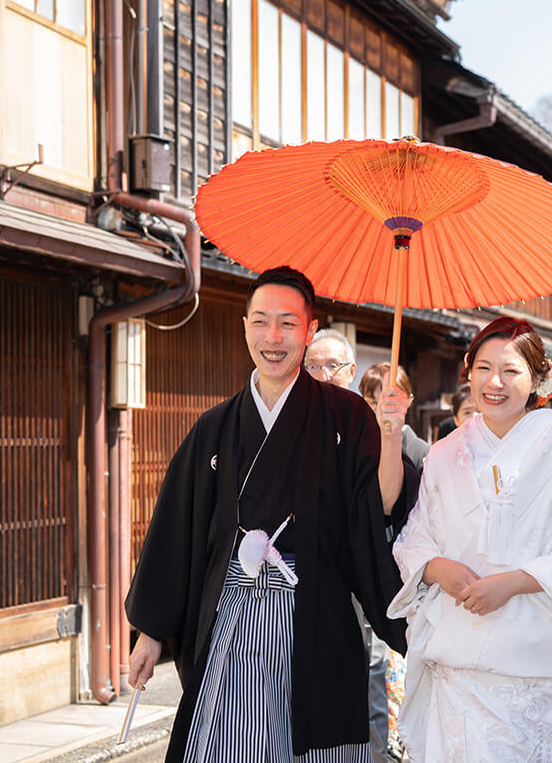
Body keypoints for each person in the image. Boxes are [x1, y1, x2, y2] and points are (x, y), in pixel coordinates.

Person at [125, 267, 419, 762]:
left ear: (309, 329)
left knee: (314, 745)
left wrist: (390, 435)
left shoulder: (346, 416)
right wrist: (151, 631)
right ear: (244, 327)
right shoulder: (214, 428)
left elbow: (381, 507)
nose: (273, 337)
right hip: (232, 619)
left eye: (287, 323)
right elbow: (178, 530)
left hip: (315, 619)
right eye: (261, 322)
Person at [388, 317, 552, 762]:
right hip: (462, 661)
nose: (495, 382)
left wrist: (513, 581)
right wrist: (438, 569)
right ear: (468, 371)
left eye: (511, 371)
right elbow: (415, 537)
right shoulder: (444, 452)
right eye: (484, 368)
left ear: (536, 379)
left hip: (539, 661)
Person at [310, 336, 398, 763]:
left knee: (367, 671)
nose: (323, 375)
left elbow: (385, 502)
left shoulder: (365, 423)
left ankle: (374, 756)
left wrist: (391, 437)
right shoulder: (294, 424)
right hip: (304, 576)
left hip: (359, 569)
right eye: (314, 366)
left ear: (350, 371)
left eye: (333, 366)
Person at [360, 362, 430, 476]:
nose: (380, 410)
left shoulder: (422, 452)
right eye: (372, 403)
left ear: (409, 400)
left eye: (389, 402)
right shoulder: (358, 444)